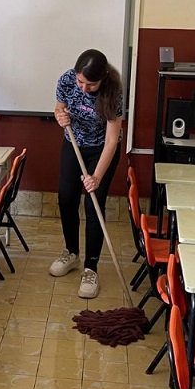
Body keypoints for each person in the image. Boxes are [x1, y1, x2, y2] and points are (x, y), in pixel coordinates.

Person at [49, 49, 123, 298]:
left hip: (102, 149)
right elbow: (59, 109)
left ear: (102, 78)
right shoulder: (67, 80)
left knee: (93, 204)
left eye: (90, 84)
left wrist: (97, 177)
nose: (83, 88)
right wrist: (60, 117)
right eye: (81, 81)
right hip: (73, 143)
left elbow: (112, 141)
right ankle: (71, 253)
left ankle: (91, 268)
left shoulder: (114, 91)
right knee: (66, 197)